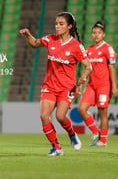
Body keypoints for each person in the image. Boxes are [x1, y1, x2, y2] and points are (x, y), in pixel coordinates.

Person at [19, 11, 92, 156]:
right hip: (49, 86)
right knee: (44, 116)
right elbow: (34, 43)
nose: (57, 26)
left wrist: (83, 77)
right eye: (56, 23)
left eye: (61, 24)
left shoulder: (76, 46)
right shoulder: (50, 39)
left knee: (60, 116)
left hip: (67, 87)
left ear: (69, 26)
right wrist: (27, 34)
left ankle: (72, 134)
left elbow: (88, 66)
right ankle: (56, 147)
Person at [78, 21, 118, 147]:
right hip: (91, 85)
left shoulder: (108, 49)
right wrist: (82, 79)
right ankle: (96, 132)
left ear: (103, 34)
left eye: (99, 33)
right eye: (94, 32)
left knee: (102, 113)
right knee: (81, 109)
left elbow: (112, 68)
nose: (96, 35)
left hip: (103, 86)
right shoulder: (89, 49)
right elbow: (87, 68)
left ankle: (103, 141)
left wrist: (114, 87)